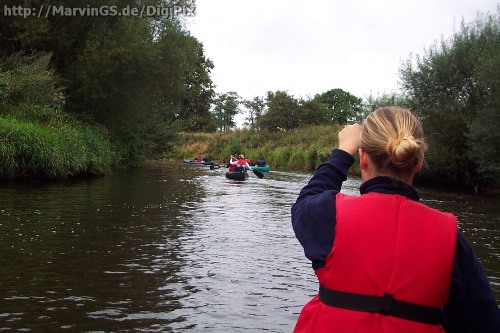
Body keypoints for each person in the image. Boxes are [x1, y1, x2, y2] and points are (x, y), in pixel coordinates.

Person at [291, 106, 500, 332]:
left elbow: (306, 200)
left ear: (362, 159)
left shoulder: (329, 215)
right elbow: (484, 323)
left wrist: (342, 152)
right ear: (418, 162)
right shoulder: (450, 240)